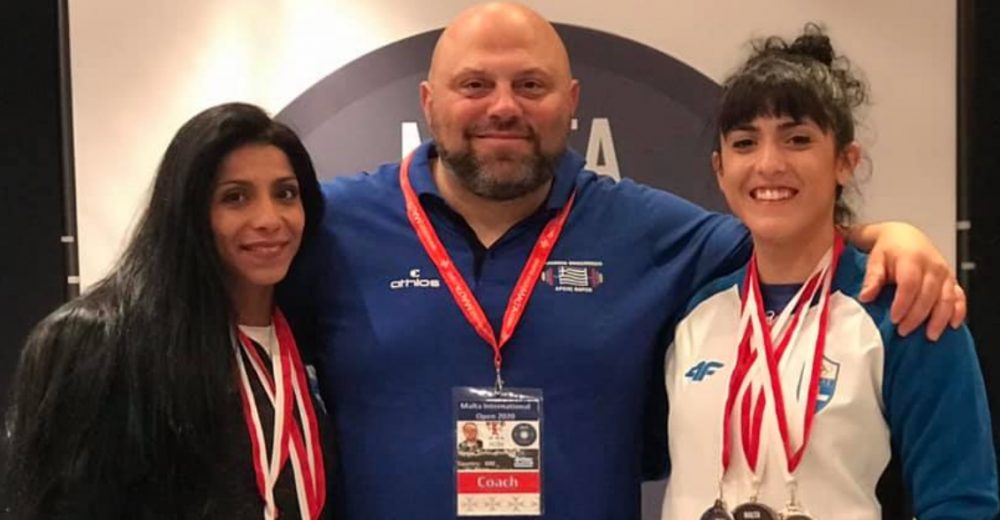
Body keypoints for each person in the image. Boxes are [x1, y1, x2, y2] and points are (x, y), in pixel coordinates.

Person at [279, 3, 966, 519]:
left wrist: (888, 234)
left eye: (531, 85)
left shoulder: (649, 230)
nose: (504, 107)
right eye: (475, 84)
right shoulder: (329, 226)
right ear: (429, 103)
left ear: (572, 103)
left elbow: (788, 236)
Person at [663, 27, 997, 519]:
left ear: (845, 161)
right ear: (720, 168)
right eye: (745, 143)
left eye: (797, 139)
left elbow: (961, 502)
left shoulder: (904, 311)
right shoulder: (695, 311)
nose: (768, 164)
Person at [3, 103, 331, 519]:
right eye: (235, 197)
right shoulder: (97, 343)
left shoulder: (311, 342)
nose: (269, 218)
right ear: (188, 211)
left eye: (285, 193)